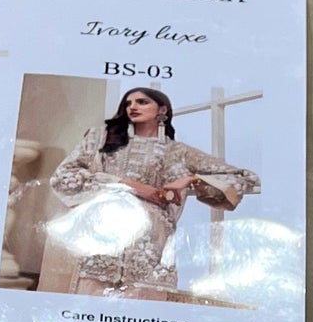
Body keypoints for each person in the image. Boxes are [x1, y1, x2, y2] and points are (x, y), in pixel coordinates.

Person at [39, 84, 260, 298]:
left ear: (162, 110)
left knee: (142, 312)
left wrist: (191, 179)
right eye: (128, 103)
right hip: (102, 240)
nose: (132, 107)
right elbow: (64, 176)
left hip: (151, 248)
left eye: (142, 102)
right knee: (90, 307)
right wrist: (130, 185)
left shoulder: (178, 151)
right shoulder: (100, 140)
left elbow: (244, 177)